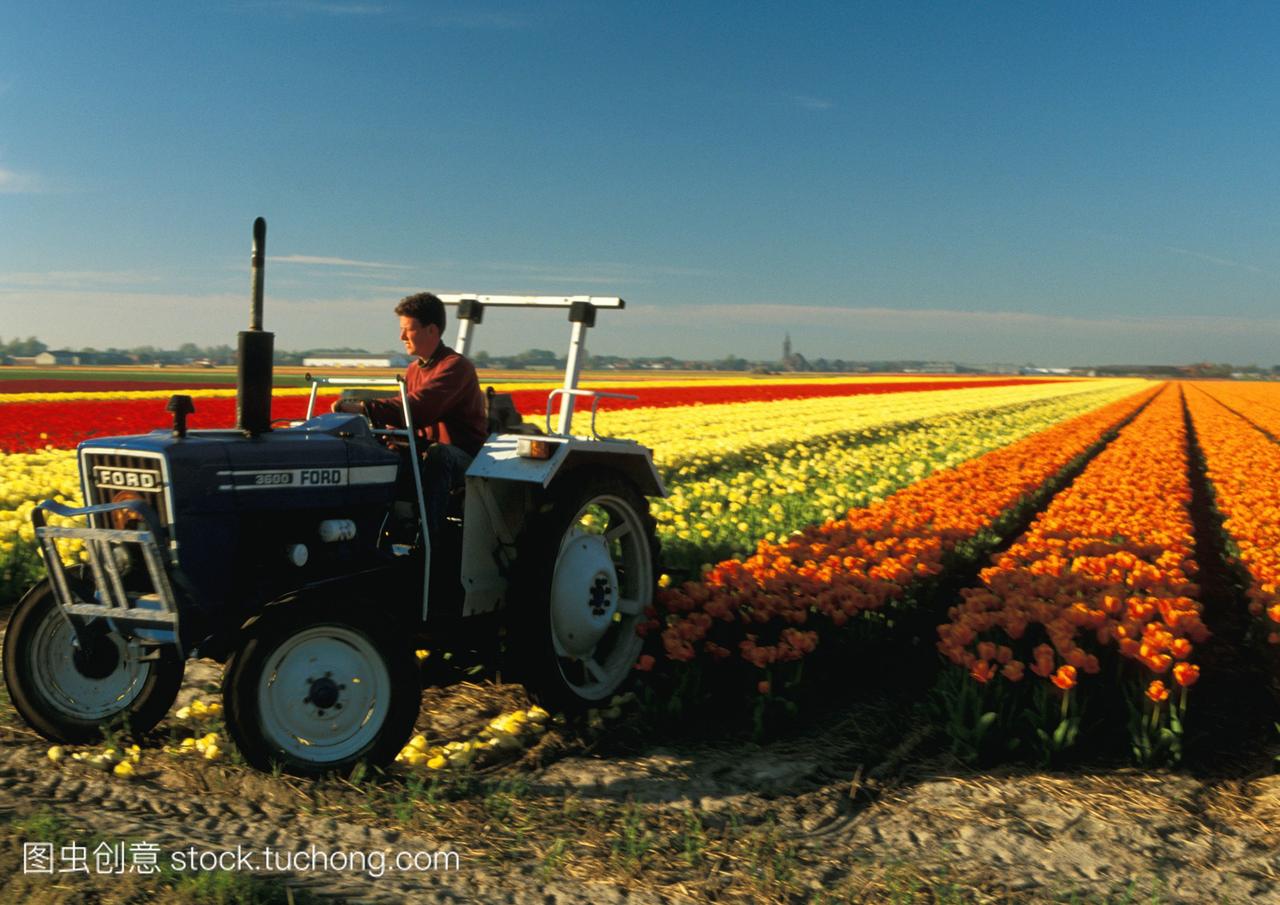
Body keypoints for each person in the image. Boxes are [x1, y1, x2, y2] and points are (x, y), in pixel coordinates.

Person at [332, 292, 487, 533]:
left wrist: (365, 408)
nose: (401, 336)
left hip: (463, 458)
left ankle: (429, 541)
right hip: (422, 450)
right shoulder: (414, 369)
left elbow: (419, 408)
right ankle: (379, 529)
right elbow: (406, 420)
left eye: (408, 329)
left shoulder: (456, 366)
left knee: (439, 455)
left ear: (431, 330)